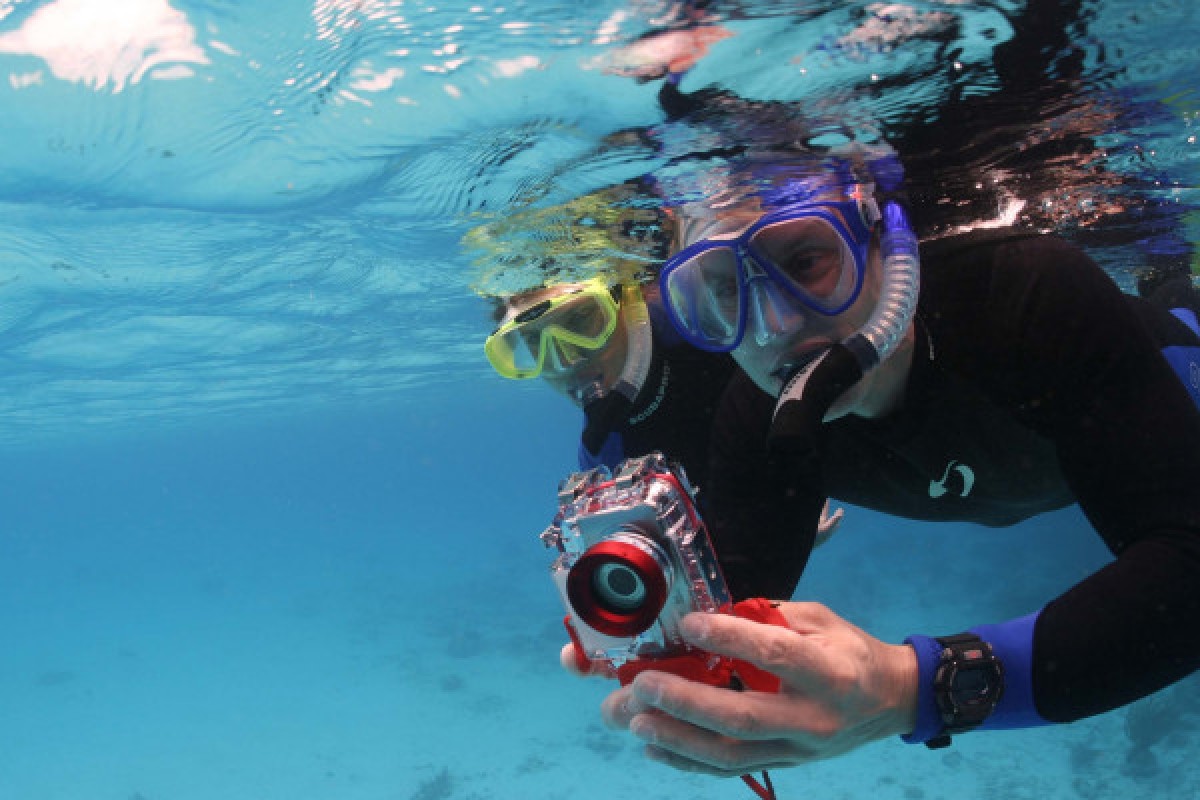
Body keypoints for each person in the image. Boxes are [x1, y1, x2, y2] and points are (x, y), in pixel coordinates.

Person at [568, 136, 1200, 780]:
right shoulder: (752, 414)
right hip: (1032, 473)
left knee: (1183, 303)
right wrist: (658, 632)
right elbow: (728, 604)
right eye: (726, 293)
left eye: (808, 260)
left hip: (1177, 368)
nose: (775, 326)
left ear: (888, 247)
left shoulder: (1028, 293)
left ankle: (1173, 273)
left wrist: (913, 688)